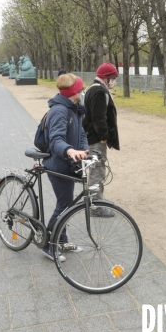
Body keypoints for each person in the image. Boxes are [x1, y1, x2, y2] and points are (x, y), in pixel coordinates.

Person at [41, 73, 88, 261]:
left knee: (67, 203)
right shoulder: (60, 110)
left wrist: (84, 150)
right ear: (73, 91)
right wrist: (69, 151)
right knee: (64, 204)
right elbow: (56, 140)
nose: (83, 92)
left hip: (69, 162)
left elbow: (82, 133)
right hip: (58, 164)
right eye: (81, 89)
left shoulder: (74, 109)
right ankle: (47, 244)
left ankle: (62, 240)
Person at [82, 62, 120, 217]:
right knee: (97, 171)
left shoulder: (92, 88)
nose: (114, 81)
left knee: (95, 170)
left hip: (91, 136)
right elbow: (99, 118)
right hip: (96, 138)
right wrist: (104, 136)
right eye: (113, 78)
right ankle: (96, 206)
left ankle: (94, 201)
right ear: (106, 78)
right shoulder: (99, 91)